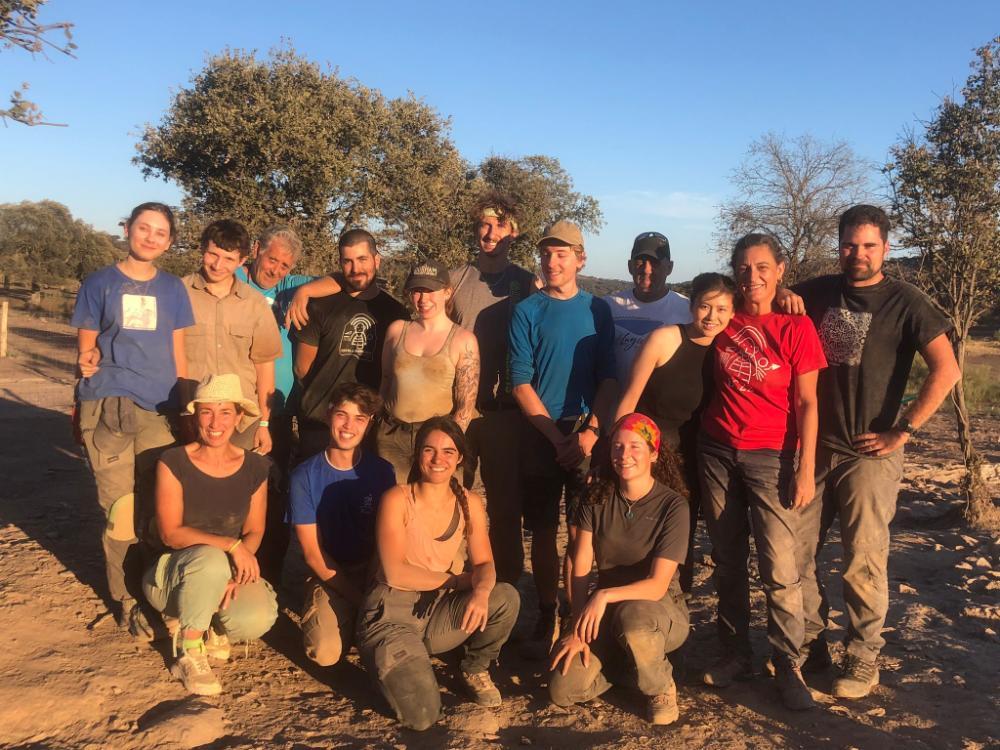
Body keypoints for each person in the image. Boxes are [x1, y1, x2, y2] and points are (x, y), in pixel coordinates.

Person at [791, 205, 960, 698]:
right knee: (797, 555)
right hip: (813, 448)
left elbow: (946, 370)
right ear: (838, 245)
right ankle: (810, 644)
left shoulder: (908, 302)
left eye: (868, 245)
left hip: (869, 453)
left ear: (886, 247)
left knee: (862, 558)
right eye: (849, 244)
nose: (857, 254)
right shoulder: (816, 291)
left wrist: (902, 430)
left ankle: (863, 656)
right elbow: (777, 308)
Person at [698, 233, 827, 711]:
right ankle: (735, 654)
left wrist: (805, 467)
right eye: (744, 268)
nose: (753, 276)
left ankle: (788, 663)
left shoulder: (796, 326)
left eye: (762, 267)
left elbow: (809, 402)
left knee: (780, 566)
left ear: (780, 269)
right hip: (716, 450)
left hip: (772, 455)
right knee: (728, 559)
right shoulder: (724, 317)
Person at [71, 201, 195, 629]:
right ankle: (127, 600)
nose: (151, 237)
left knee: (157, 506)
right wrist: (85, 365)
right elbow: (86, 347)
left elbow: (179, 351)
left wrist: (185, 404)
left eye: (161, 233)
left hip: (161, 409)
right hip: (109, 404)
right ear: (127, 229)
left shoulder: (174, 289)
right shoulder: (99, 283)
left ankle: (156, 588)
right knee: (120, 508)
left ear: (170, 241)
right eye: (144, 228)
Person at [356, 417, 520, 731]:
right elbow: (393, 573)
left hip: (437, 612)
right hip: (393, 612)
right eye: (429, 450)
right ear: (417, 454)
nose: (438, 459)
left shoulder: (469, 503)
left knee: (504, 596)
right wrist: (459, 581)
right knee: (423, 715)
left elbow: (485, 563)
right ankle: (388, 661)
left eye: (448, 451)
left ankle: (474, 667)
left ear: (460, 457)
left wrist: (482, 592)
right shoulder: (397, 499)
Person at [509, 220, 617, 659]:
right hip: (540, 432)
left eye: (562, 254)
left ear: (580, 258)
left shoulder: (598, 310)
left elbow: (609, 378)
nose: (552, 262)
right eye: (547, 254)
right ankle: (548, 609)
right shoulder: (527, 311)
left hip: (585, 433)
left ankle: (576, 612)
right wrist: (555, 437)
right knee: (541, 529)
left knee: (580, 531)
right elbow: (520, 382)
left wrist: (590, 431)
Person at [549, 414, 691, 725]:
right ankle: (627, 666)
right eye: (617, 446)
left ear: (654, 453)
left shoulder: (673, 506)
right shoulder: (595, 495)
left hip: (657, 608)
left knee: (635, 621)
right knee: (563, 689)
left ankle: (660, 686)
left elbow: (656, 585)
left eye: (635, 447)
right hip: (608, 609)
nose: (624, 455)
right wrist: (577, 625)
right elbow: (581, 563)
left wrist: (602, 597)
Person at [144, 374, 278, 696]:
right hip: (173, 575)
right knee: (209, 559)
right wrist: (231, 549)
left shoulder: (256, 468)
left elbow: (255, 529)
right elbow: (171, 533)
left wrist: (235, 566)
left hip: (224, 569)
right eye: (207, 412)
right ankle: (189, 652)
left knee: (256, 618)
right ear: (196, 416)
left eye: (225, 412)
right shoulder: (173, 461)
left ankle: (212, 626)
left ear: (239, 418)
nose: (215, 422)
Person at [615, 272, 737, 593]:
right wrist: (612, 452)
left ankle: (675, 608)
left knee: (682, 533)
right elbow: (630, 398)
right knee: (643, 531)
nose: (712, 317)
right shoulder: (665, 339)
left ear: (733, 312)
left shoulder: (730, 349)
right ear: (691, 305)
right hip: (653, 454)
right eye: (705, 306)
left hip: (700, 457)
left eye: (722, 309)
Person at [450, 191, 539, 585]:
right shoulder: (455, 280)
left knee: (505, 508)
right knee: (451, 496)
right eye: (484, 224)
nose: (490, 232)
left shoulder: (526, 284)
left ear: (513, 233)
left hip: (505, 414)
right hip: (459, 412)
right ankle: (449, 581)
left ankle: (507, 593)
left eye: (499, 225)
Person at [289, 382, 396, 667]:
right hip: (329, 573)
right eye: (342, 415)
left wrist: (374, 588)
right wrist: (360, 600)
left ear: (369, 423)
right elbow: (313, 554)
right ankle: (342, 617)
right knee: (324, 653)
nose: (349, 426)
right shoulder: (304, 476)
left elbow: (388, 537)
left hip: (374, 570)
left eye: (360, 418)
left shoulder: (382, 472)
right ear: (328, 415)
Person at [236, 225, 316, 584]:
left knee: (272, 492)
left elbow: (338, 280)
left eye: (285, 265)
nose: (277, 270)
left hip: (278, 413)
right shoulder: (234, 279)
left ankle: (266, 578)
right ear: (255, 250)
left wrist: (305, 294)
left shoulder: (288, 288)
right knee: (231, 495)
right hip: (233, 412)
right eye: (272, 260)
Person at [289, 229, 409, 459]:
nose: (356, 269)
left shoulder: (395, 313)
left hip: (366, 424)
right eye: (348, 261)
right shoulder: (319, 305)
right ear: (340, 263)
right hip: (319, 422)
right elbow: (302, 367)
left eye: (362, 259)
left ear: (377, 259)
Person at [182, 220, 282, 454]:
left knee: (237, 487)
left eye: (228, 259)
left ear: (242, 261)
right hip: (189, 417)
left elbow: (264, 366)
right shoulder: (178, 293)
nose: (218, 265)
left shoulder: (255, 304)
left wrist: (264, 423)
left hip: (242, 423)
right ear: (202, 250)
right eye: (212, 255)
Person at [377, 260, 479, 482]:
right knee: (391, 506)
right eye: (417, 291)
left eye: (430, 291)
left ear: (447, 292)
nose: (423, 299)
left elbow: (465, 407)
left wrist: (445, 444)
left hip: (437, 441)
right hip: (392, 437)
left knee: (437, 508)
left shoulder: (463, 340)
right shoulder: (396, 331)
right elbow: (384, 382)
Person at [604, 231, 692, 386]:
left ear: (670, 267)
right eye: (640, 262)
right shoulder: (607, 307)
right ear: (630, 266)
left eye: (655, 263)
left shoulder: (688, 311)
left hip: (660, 408)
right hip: (614, 406)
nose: (646, 269)